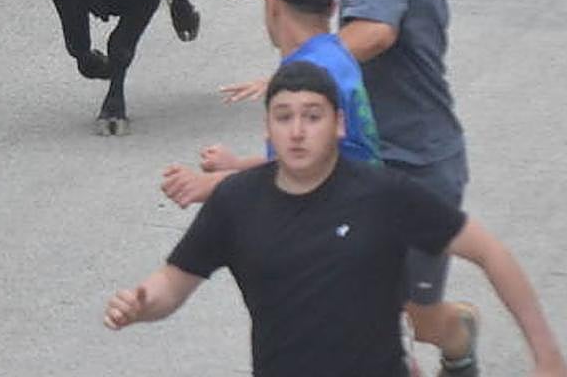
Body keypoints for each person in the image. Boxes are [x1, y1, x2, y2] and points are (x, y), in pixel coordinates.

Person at [104, 61, 567, 377]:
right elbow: (173, 283)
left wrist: (546, 355)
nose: (299, 130)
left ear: (339, 125)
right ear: (267, 128)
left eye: (313, 116)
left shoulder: (383, 194)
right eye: (284, 117)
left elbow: (490, 252)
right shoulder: (236, 202)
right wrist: (143, 304)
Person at [328, 0, 477, 375]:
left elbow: (377, 31)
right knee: (366, 314)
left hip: (420, 166)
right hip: (377, 162)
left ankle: (458, 340)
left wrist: (304, 63)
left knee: (423, 316)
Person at [160, 0, 380, 209]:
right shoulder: (337, 54)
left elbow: (292, 175)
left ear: (272, 4)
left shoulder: (303, 80)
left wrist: (210, 186)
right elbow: (300, 156)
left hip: (335, 217)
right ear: (332, 8)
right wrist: (238, 166)